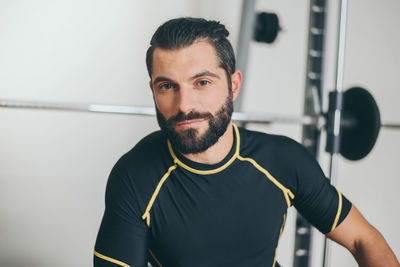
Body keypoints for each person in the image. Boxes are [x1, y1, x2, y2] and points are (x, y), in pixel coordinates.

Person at [93, 17, 399, 267]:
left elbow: (364, 239)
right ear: (153, 90)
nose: (184, 104)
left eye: (202, 82)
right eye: (167, 86)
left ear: (233, 84)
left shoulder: (284, 160)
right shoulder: (135, 177)